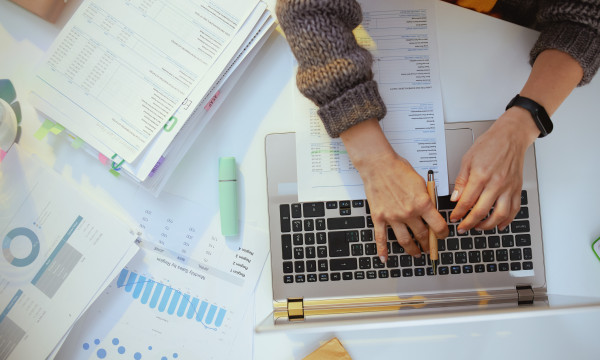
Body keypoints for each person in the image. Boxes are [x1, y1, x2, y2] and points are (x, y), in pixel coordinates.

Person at [275, 0, 600, 264]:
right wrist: (372, 159)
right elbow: (307, 9)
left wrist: (523, 123)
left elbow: (587, 20)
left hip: (504, 46)